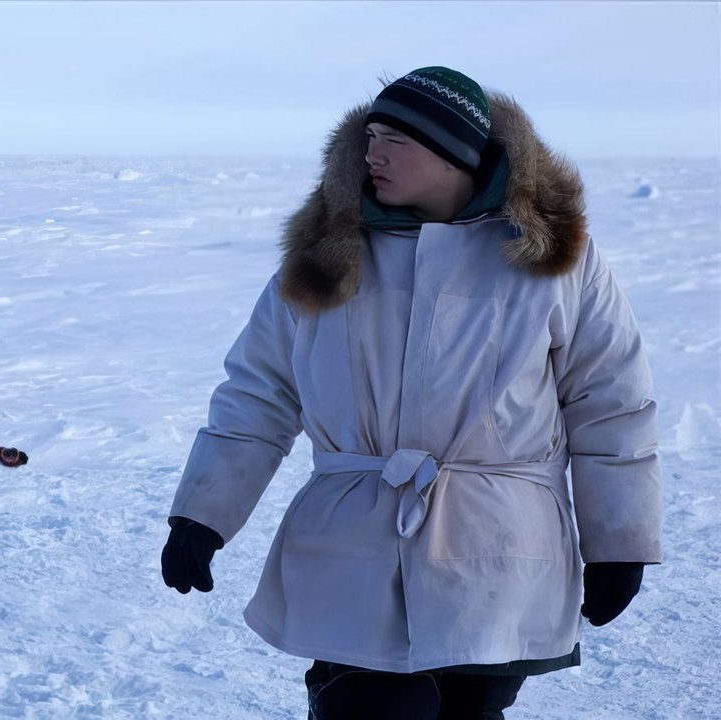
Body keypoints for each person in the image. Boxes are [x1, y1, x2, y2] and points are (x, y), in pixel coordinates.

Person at [160, 67, 662, 719]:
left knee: (470, 711)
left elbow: (611, 404)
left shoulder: (553, 258)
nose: (373, 154)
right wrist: (201, 515)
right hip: (354, 546)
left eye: (395, 139)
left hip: (497, 552)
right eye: (370, 136)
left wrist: (619, 545)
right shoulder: (327, 254)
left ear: (456, 154)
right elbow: (260, 394)